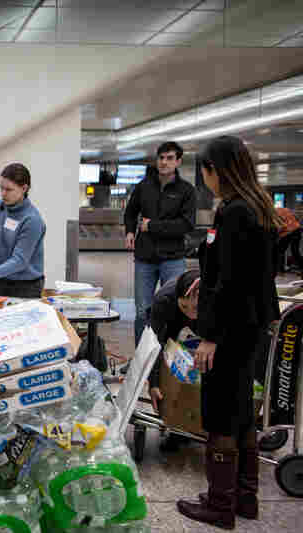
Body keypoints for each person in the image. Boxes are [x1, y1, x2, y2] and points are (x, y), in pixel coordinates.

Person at [177, 136, 280, 529]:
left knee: (220, 413)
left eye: (205, 173)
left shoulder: (234, 213)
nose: (206, 181)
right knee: (240, 412)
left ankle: (220, 505)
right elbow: (251, 275)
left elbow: (230, 282)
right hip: (252, 324)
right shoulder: (261, 207)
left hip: (231, 328)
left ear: (216, 170)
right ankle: (245, 498)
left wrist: (210, 336)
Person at [124, 142, 196, 348]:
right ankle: (140, 360)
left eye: (170, 158)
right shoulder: (143, 186)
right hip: (145, 258)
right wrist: (130, 230)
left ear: (178, 161)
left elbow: (186, 224)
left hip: (173, 259)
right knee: (142, 310)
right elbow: (130, 212)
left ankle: (167, 360)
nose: (164, 162)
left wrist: (152, 226)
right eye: (161, 158)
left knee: (175, 309)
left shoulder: (187, 191)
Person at [0, 163, 46, 298]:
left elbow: (19, 260)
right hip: (3, 280)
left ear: (24, 188)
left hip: (27, 286)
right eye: (1, 188)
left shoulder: (32, 220)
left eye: (8, 189)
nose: (3, 194)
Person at [146, 269, 199, 452]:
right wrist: (152, 383)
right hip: (171, 326)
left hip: (203, 329)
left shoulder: (214, 297)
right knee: (171, 370)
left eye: (196, 308)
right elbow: (153, 344)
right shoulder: (164, 301)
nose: (191, 313)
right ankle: (175, 427)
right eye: (186, 307)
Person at [276, 206, 302, 273]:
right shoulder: (283, 209)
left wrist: (278, 234)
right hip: (297, 229)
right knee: (295, 251)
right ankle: (301, 268)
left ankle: (280, 270)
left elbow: (281, 226)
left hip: (289, 231)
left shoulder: (275, 213)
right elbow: (296, 218)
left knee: (280, 251)